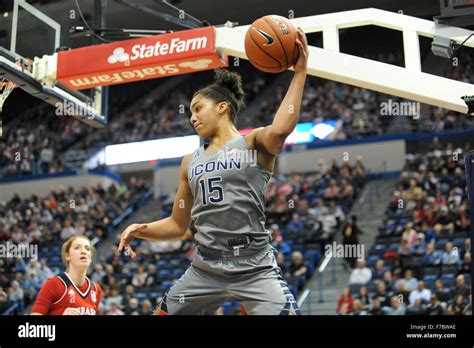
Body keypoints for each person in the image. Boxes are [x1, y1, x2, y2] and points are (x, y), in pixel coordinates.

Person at [117, 28, 309, 315]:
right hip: (205, 268)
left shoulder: (253, 142)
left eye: (197, 109)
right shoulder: (188, 161)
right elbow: (178, 224)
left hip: (254, 266)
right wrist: (141, 229)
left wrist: (299, 73)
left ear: (222, 107)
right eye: (190, 113)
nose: (192, 117)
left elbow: (281, 128)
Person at [31, 236, 102, 315]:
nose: (83, 251)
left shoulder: (96, 289)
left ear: (90, 257)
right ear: (67, 256)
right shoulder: (53, 284)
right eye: (77, 248)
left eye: (87, 249)